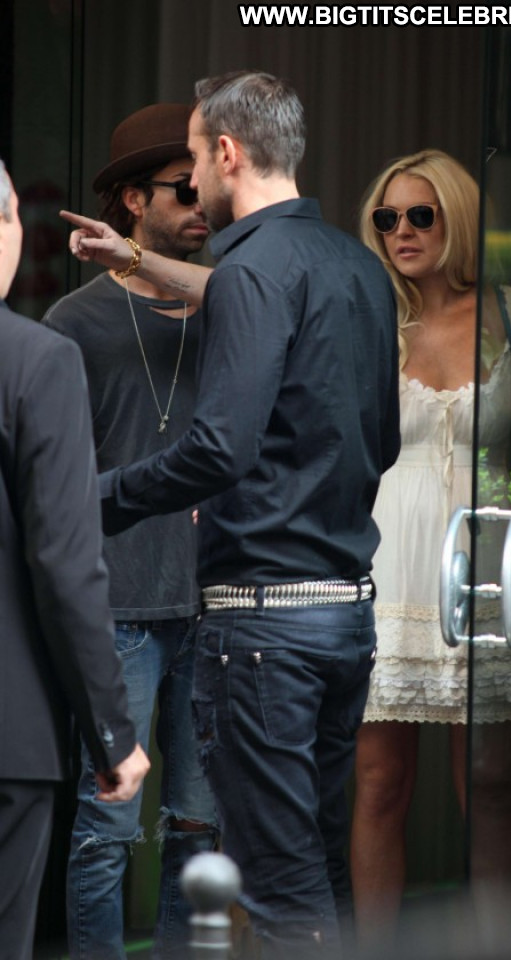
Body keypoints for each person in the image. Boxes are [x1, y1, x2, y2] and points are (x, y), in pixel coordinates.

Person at [60, 70, 400, 959]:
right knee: (318, 871)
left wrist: (93, 500)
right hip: (343, 617)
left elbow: (218, 449)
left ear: (225, 152)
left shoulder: (250, 269)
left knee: (283, 891)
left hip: (263, 631)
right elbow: (384, 442)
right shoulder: (356, 266)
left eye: (196, 161)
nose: (197, 186)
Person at [350, 149, 511, 950]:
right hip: (388, 561)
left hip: (485, 564)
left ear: (456, 220)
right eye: (386, 218)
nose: (401, 231)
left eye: (420, 215)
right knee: (380, 781)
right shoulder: (365, 316)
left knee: (492, 784)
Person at [43, 104, 218, 960]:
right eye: (183, 188)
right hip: (118, 608)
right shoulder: (74, 326)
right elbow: (51, 483)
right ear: (132, 201)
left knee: (200, 824)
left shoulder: (230, 308)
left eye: (206, 186)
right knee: (106, 825)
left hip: (218, 603)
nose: (201, 203)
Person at [0, 159, 150, 960]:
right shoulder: (35, 358)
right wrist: (112, 735)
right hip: (8, 734)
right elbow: (65, 561)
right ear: (9, 224)